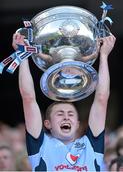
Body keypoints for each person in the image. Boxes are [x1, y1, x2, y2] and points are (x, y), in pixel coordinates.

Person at [12, 32, 116, 171]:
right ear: (47, 123)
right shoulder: (41, 145)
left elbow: (102, 99)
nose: (66, 117)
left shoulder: (91, 145)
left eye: (71, 114)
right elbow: (28, 98)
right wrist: (22, 55)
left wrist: (104, 56)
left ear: (78, 124)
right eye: (60, 114)